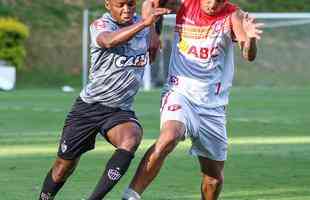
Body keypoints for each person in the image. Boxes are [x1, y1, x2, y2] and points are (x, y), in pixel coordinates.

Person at [122, 0, 263, 199]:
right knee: (169, 136)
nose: (213, 4)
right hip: (180, 92)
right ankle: (130, 196)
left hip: (213, 105)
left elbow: (248, 55)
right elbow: (149, 3)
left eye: (219, 1)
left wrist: (250, 39)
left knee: (213, 178)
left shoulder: (234, 15)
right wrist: (152, 33)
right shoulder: (184, 4)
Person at [37, 0, 170, 199]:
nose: (126, 9)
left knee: (131, 138)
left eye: (131, 4)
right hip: (89, 108)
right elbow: (108, 41)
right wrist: (144, 24)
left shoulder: (144, 24)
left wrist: (152, 29)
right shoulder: (101, 25)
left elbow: (151, 50)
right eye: (121, 4)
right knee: (63, 167)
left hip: (119, 110)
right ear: (108, 4)